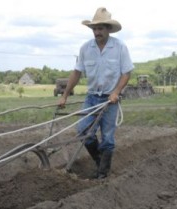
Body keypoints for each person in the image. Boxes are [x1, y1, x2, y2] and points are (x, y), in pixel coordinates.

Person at [58, 7, 134, 179]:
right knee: (83, 131)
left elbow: (126, 72)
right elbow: (77, 72)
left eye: (100, 28)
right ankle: (100, 162)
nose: (97, 32)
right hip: (92, 97)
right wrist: (64, 95)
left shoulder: (120, 47)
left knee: (107, 137)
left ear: (108, 29)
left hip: (110, 99)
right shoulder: (85, 48)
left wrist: (116, 92)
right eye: (94, 29)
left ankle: (102, 175)